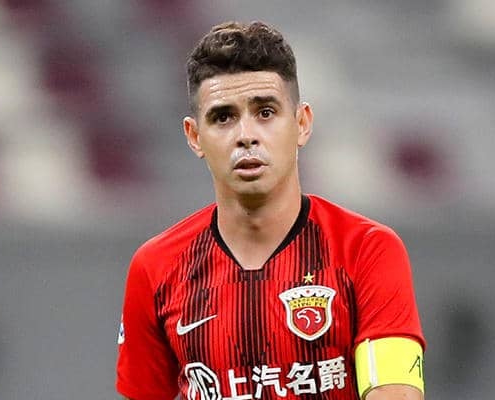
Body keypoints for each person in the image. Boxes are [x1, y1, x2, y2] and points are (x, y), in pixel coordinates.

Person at [116, 21, 426, 400]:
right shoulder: (155, 268)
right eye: (223, 117)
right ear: (194, 137)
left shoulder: (368, 250)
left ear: (302, 124)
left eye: (265, 112)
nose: (246, 135)